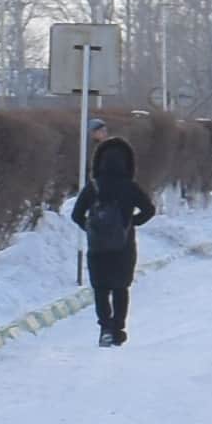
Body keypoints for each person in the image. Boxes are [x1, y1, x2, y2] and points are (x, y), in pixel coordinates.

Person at [72, 133, 150, 345]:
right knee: (120, 288)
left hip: (97, 247)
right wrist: (132, 222)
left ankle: (105, 327)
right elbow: (149, 210)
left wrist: (91, 228)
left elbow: (76, 215)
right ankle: (118, 329)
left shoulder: (93, 187)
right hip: (124, 247)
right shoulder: (130, 187)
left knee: (100, 288)